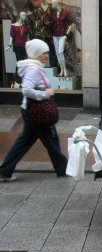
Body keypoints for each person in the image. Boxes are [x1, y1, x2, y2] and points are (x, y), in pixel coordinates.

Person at [0, 39, 68, 182]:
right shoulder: (33, 69)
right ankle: (63, 169)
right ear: (36, 53)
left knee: (24, 141)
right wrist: (45, 94)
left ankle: (5, 171)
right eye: (44, 53)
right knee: (51, 139)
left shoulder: (34, 67)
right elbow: (26, 90)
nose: (46, 55)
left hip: (31, 111)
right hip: (38, 112)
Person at [5, 12, 30, 87]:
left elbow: (28, 38)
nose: (24, 17)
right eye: (23, 15)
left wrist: (30, 47)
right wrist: (9, 45)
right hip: (17, 46)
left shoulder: (26, 27)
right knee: (19, 62)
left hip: (24, 47)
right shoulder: (13, 26)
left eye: (25, 15)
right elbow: (11, 37)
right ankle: (18, 80)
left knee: (23, 62)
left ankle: (21, 80)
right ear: (19, 16)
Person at [51, 0, 72, 77]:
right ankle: (62, 71)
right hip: (55, 36)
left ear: (56, 4)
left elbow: (70, 24)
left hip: (62, 35)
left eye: (52, 4)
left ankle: (65, 70)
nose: (51, 5)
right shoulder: (53, 14)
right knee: (58, 53)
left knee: (60, 51)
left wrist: (66, 35)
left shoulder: (65, 14)